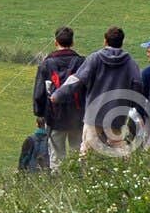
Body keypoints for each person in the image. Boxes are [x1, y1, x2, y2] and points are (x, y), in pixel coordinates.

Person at [51, 26, 144, 156]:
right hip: (116, 114)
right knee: (119, 149)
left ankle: (83, 175)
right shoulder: (130, 62)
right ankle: (121, 174)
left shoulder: (95, 58)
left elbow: (77, 80)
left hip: (94, 114)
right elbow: (138, 85)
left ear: (105, 41)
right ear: (122, 42)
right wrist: (134, 108)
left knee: (87, 150)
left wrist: (58, 94)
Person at [31, 27, 84, 171]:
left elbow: (39, 92)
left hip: (54, 115)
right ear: (72, 42)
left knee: (56, 155)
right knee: (77, 152)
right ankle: (77, 181)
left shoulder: (46, 64)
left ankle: (57, 181)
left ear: (55, 42)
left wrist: (39, 113)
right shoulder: (81, 63)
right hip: (77, 115)